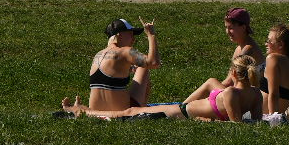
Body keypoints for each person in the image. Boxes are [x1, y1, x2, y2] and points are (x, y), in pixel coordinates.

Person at [60, 51, 263, 122]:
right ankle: (86, 111)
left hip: (180, 112)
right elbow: (254, 122)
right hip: (183, 110)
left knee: (130, 112)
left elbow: (237, 126)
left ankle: (84, 112)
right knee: (132, 111)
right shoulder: (256, 94)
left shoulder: (230, 93)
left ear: (235, 73)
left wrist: (208, 121)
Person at [179, 7, 262, 106]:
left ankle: (183, 107)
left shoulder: (248, 49)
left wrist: (210, 95)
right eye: (226, 27)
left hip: (249, 100)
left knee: (211, 82)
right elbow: (229, 81)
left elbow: (229, 81)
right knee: (212, 85)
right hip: (248, 97)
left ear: (243, 27)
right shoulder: (240, 49)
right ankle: (186, 106)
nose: (227, 32)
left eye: (231, 28)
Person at [83, 18, 159, 112]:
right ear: (119, 35)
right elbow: (153, 63)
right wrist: (151, 35)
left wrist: (128, 67)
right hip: (122, 112)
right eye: (130, 34)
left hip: (96, 111)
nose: (133, 39)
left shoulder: (98, 55)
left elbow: (110, 73)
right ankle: (142, 108)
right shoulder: (125, 51)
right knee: (143, 68)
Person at [261, 22, 289, 121]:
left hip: (250, 112)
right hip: (268, 112)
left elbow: (274, 94)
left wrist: (273, 119)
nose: (266, 44)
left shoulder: (273, 58)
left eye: (269, 41)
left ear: (280, 44)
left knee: (218, 86)